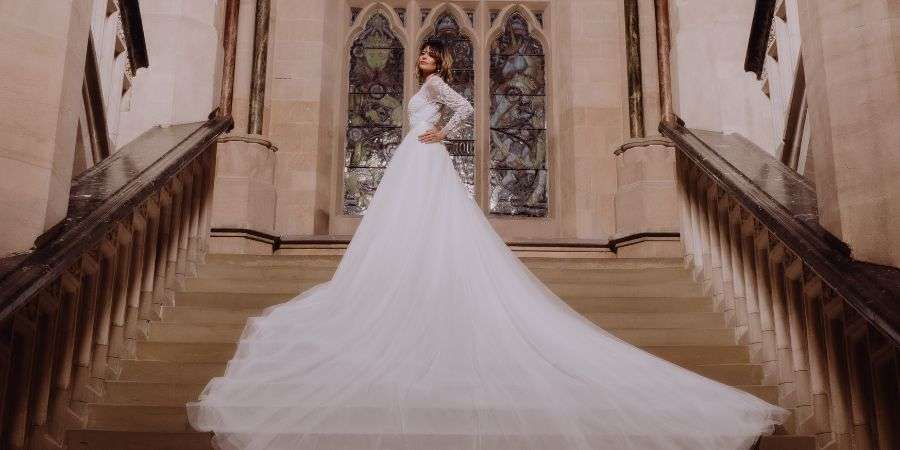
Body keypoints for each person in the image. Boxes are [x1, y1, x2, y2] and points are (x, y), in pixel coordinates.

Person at [186, 39, 789, 450]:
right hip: (410, 166)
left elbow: (470, 105)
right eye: (420, 52)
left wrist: (439, 133)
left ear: (439, 61)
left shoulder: (444, 88)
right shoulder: (422, 87)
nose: (421, 56)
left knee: (432, 230)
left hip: (426, 162)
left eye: (428, 53)